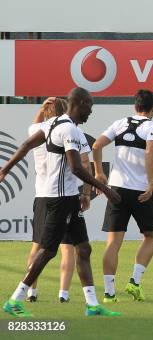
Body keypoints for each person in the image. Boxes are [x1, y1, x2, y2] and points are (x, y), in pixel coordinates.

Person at [1, 87, 122, 317]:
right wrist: (104, 188)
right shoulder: (69, 130)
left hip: (66, 198)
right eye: (90, 106)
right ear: (81, 103)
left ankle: (92, 305)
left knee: (83, 248)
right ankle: (15, 300)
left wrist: (5, 169)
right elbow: (77, 167)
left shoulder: (52, 124)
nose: (91, 112)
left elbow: (27, 145)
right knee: (47, 251)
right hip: (59, 200)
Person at [92, 89, 153, 302]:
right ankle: (134, 282)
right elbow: (150, 151)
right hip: (141, 191)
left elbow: (96, 145)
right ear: (152, 109)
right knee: (150, 236)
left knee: (113, 242)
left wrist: (99, 173)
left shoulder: (119, 123)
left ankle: (109, 293)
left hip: (117, 190)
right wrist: (151, 183)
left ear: (135, 106)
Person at [26, 97, 92, 303]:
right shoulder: (72, 130)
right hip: (63, 195)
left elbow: (35, 122)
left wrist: (42, 107)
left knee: (38, 246)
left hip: (42, 195)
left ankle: (31, 291)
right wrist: (87, 193)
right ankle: (63, 293)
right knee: (68, 248)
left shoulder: (37, 130)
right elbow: (84, 163)